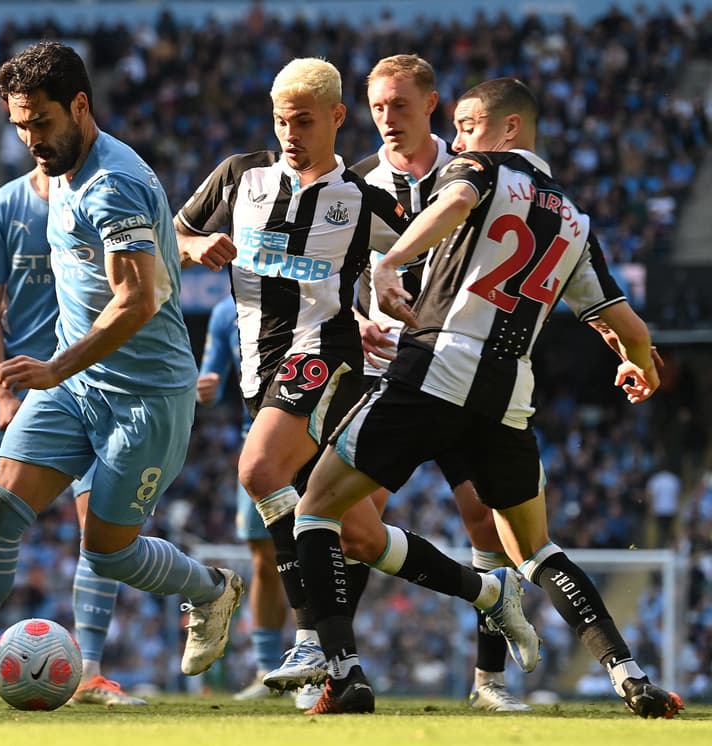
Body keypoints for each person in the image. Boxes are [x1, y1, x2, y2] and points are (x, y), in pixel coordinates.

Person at [293, 76, 685, 719]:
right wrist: (638, 369)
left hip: (433, 367)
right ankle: (632, 675)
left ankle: (344, 673)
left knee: (315, 508)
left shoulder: (478, 168)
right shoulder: (576, 221)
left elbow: (450, 208)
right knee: (535, 549)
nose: (459, 135)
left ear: (509, 130)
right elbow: (629, 328)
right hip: (507, 396)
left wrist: (391, 263)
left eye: (470, 123)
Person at [175, 58, 539, 713]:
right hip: (262, 374)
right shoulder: (239, 176)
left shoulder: (362, 198)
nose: (290, 133)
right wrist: (192, 248)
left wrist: (392, 307)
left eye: (305, 121)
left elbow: (427, 266)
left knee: (258, 470)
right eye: (282, 120)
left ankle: (312, 641)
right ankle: (488, 594)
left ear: (336, 119)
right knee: (361, 537)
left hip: (325, 360)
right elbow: (173, 234)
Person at [0, 41, 243, 708]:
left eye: (40, 122)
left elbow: (137, 298)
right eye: (19, 124)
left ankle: (212, 591)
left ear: (80, 105)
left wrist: (53, 365)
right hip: (76, 387)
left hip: (144, 398)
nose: (30, 140)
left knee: (106, 552)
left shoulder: (114, 185)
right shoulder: (61, 175)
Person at [350, 54, 529, 712]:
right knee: (360, 525)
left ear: (433, 106)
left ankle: (490, 684)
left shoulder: (475, 178)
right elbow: (331, 274)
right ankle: (343, 668)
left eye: (399, 105)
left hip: (454, 369)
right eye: (377, 108)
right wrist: (351, 318)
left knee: (484, 518)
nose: (387, 119)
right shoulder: (356, 182)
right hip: (383, 374)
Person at [0, 158, 144, 706]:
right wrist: (1, 395)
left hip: (93, 386)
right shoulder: (2, 207)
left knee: (99, 527)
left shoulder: (104, 195)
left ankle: (88, 671)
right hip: (20, 389)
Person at [195, 294, 286, 701]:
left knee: (314, 548)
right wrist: (205, 388)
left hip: (312, 436)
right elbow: (210, 385)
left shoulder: (301, 292)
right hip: (258, 441)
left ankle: (323, 661)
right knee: (263, 555)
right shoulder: (221, 314)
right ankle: (268, 671)